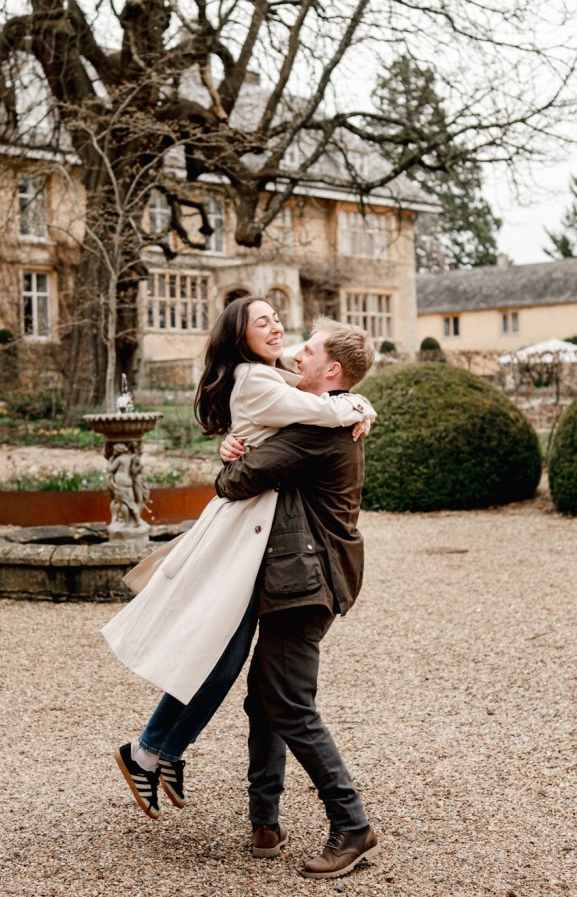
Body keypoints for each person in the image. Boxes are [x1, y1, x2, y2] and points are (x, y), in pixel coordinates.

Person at [102, 297, 375, 820]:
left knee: (228, 661)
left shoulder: (276, 384)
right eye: (263, 322)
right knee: (220, 654)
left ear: (332, 367)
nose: (283, 335)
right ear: (240, 336)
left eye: (281, 322)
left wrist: (358, 404)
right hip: (241, 534)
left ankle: (159, 753)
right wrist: (356, 405)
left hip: (260, 543)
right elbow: (314, 414)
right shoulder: (256, 380)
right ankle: (152, 752)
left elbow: (316, 407)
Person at [215, 318, 379, 879]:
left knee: (288, 702)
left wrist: (230, 456)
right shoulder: (330, 414)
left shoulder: (315, 428)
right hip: (300, 579)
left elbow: (239, 480)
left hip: (304, 583)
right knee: (266, 698)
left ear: (331, 370)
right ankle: (265, 821)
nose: (295, 353)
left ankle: (352, 825)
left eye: (307, 350)